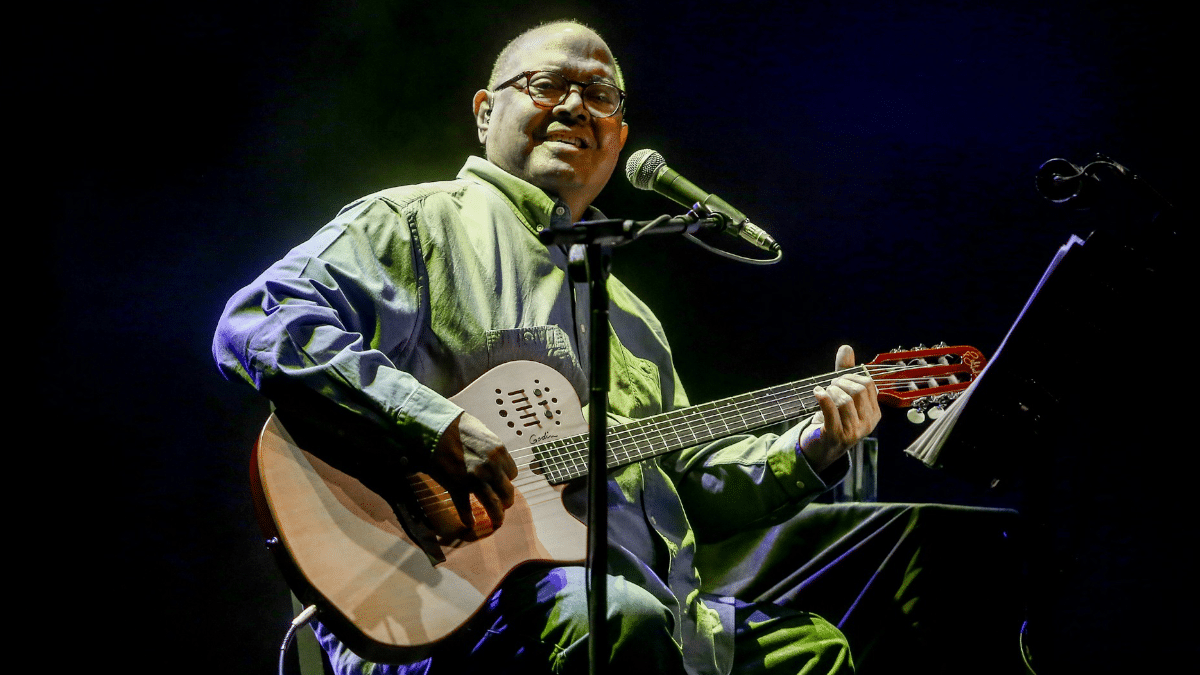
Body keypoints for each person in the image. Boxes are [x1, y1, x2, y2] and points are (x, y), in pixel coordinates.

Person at [215, 20, 1014, 675]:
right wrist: (432, 424)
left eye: (597, 94)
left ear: (620, 135)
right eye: (547, 85)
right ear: (486, 111)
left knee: (814, 652)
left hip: (651, 613)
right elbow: (259, 321)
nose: (573, 105)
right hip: (440, 603)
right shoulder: (416, 223)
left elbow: (674, 489)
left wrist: (812, 445)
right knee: (618, 620)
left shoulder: (632, 317)